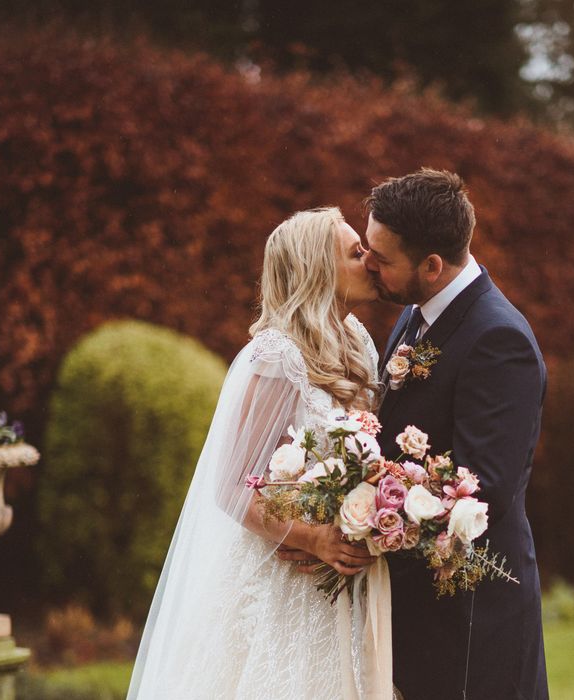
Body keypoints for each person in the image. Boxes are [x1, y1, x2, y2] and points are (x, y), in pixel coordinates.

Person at [127, 207, 389, 699]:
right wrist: (314, 539)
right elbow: (229, 485)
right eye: (356, 253)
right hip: (286, 578)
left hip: (348, 582)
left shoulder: (359, 342)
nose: (370, 260)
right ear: (318, 269)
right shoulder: (277, 356)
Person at [363, 169, 549, 699]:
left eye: (381, 256)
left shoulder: (498, 339)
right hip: (419, 605)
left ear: (432, 265)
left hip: (471, 616)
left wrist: (362, 512)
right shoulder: (416, 312)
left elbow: (480, 486)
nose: (367, 262)